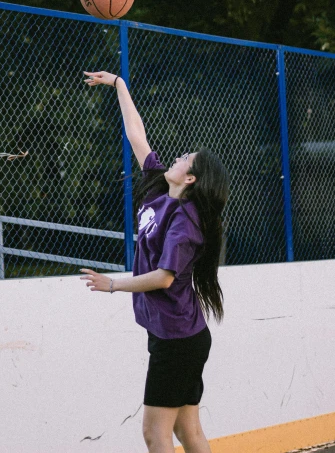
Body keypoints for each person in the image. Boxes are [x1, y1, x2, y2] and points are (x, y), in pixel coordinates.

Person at [80, 70, 229, 453]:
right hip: (176, 334)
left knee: (154, 433)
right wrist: (118, 84)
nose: (176, 156)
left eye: (184, 159)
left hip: (178, 341)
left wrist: (111, 284)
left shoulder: (185, 223)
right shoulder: (160, 186)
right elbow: (136, 134)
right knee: (187, 431)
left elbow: (164, 278)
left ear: (192, 179)